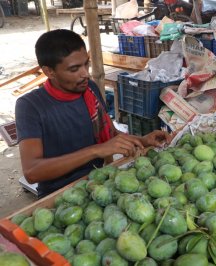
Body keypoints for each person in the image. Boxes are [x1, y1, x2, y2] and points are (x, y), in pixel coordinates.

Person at [15, 29, 172, 197]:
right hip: (61, 195)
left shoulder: (90, 89)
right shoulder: (30, 106)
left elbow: (110, 134)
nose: (85, 73)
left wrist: (143, 140)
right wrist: (96, 150)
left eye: (86, 64)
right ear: (49, 71)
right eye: (74, 69)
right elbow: (32, 172)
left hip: (98, 183)